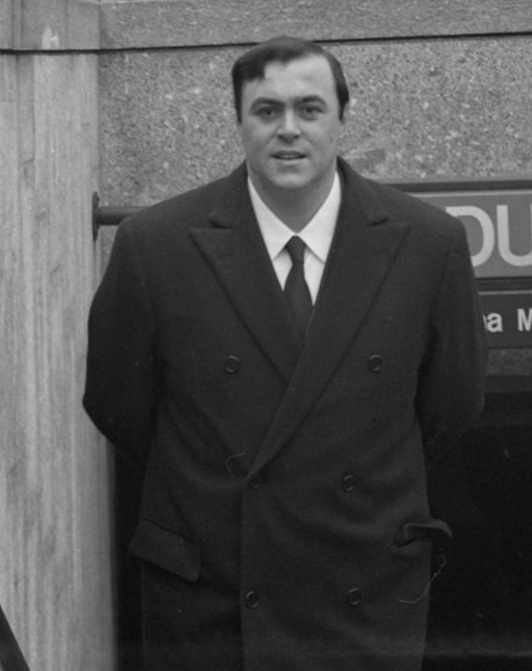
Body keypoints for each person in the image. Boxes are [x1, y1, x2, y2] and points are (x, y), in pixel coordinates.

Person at [83, 37, 487, 671]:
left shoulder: (429, 243)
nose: (289, 130)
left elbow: (451, 402)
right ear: (239, 121)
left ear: (342, 119)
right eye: (266, 111)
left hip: (364, 586)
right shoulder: (154, 245)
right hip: (213, 593)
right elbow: (117, 402)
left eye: (309, 109)